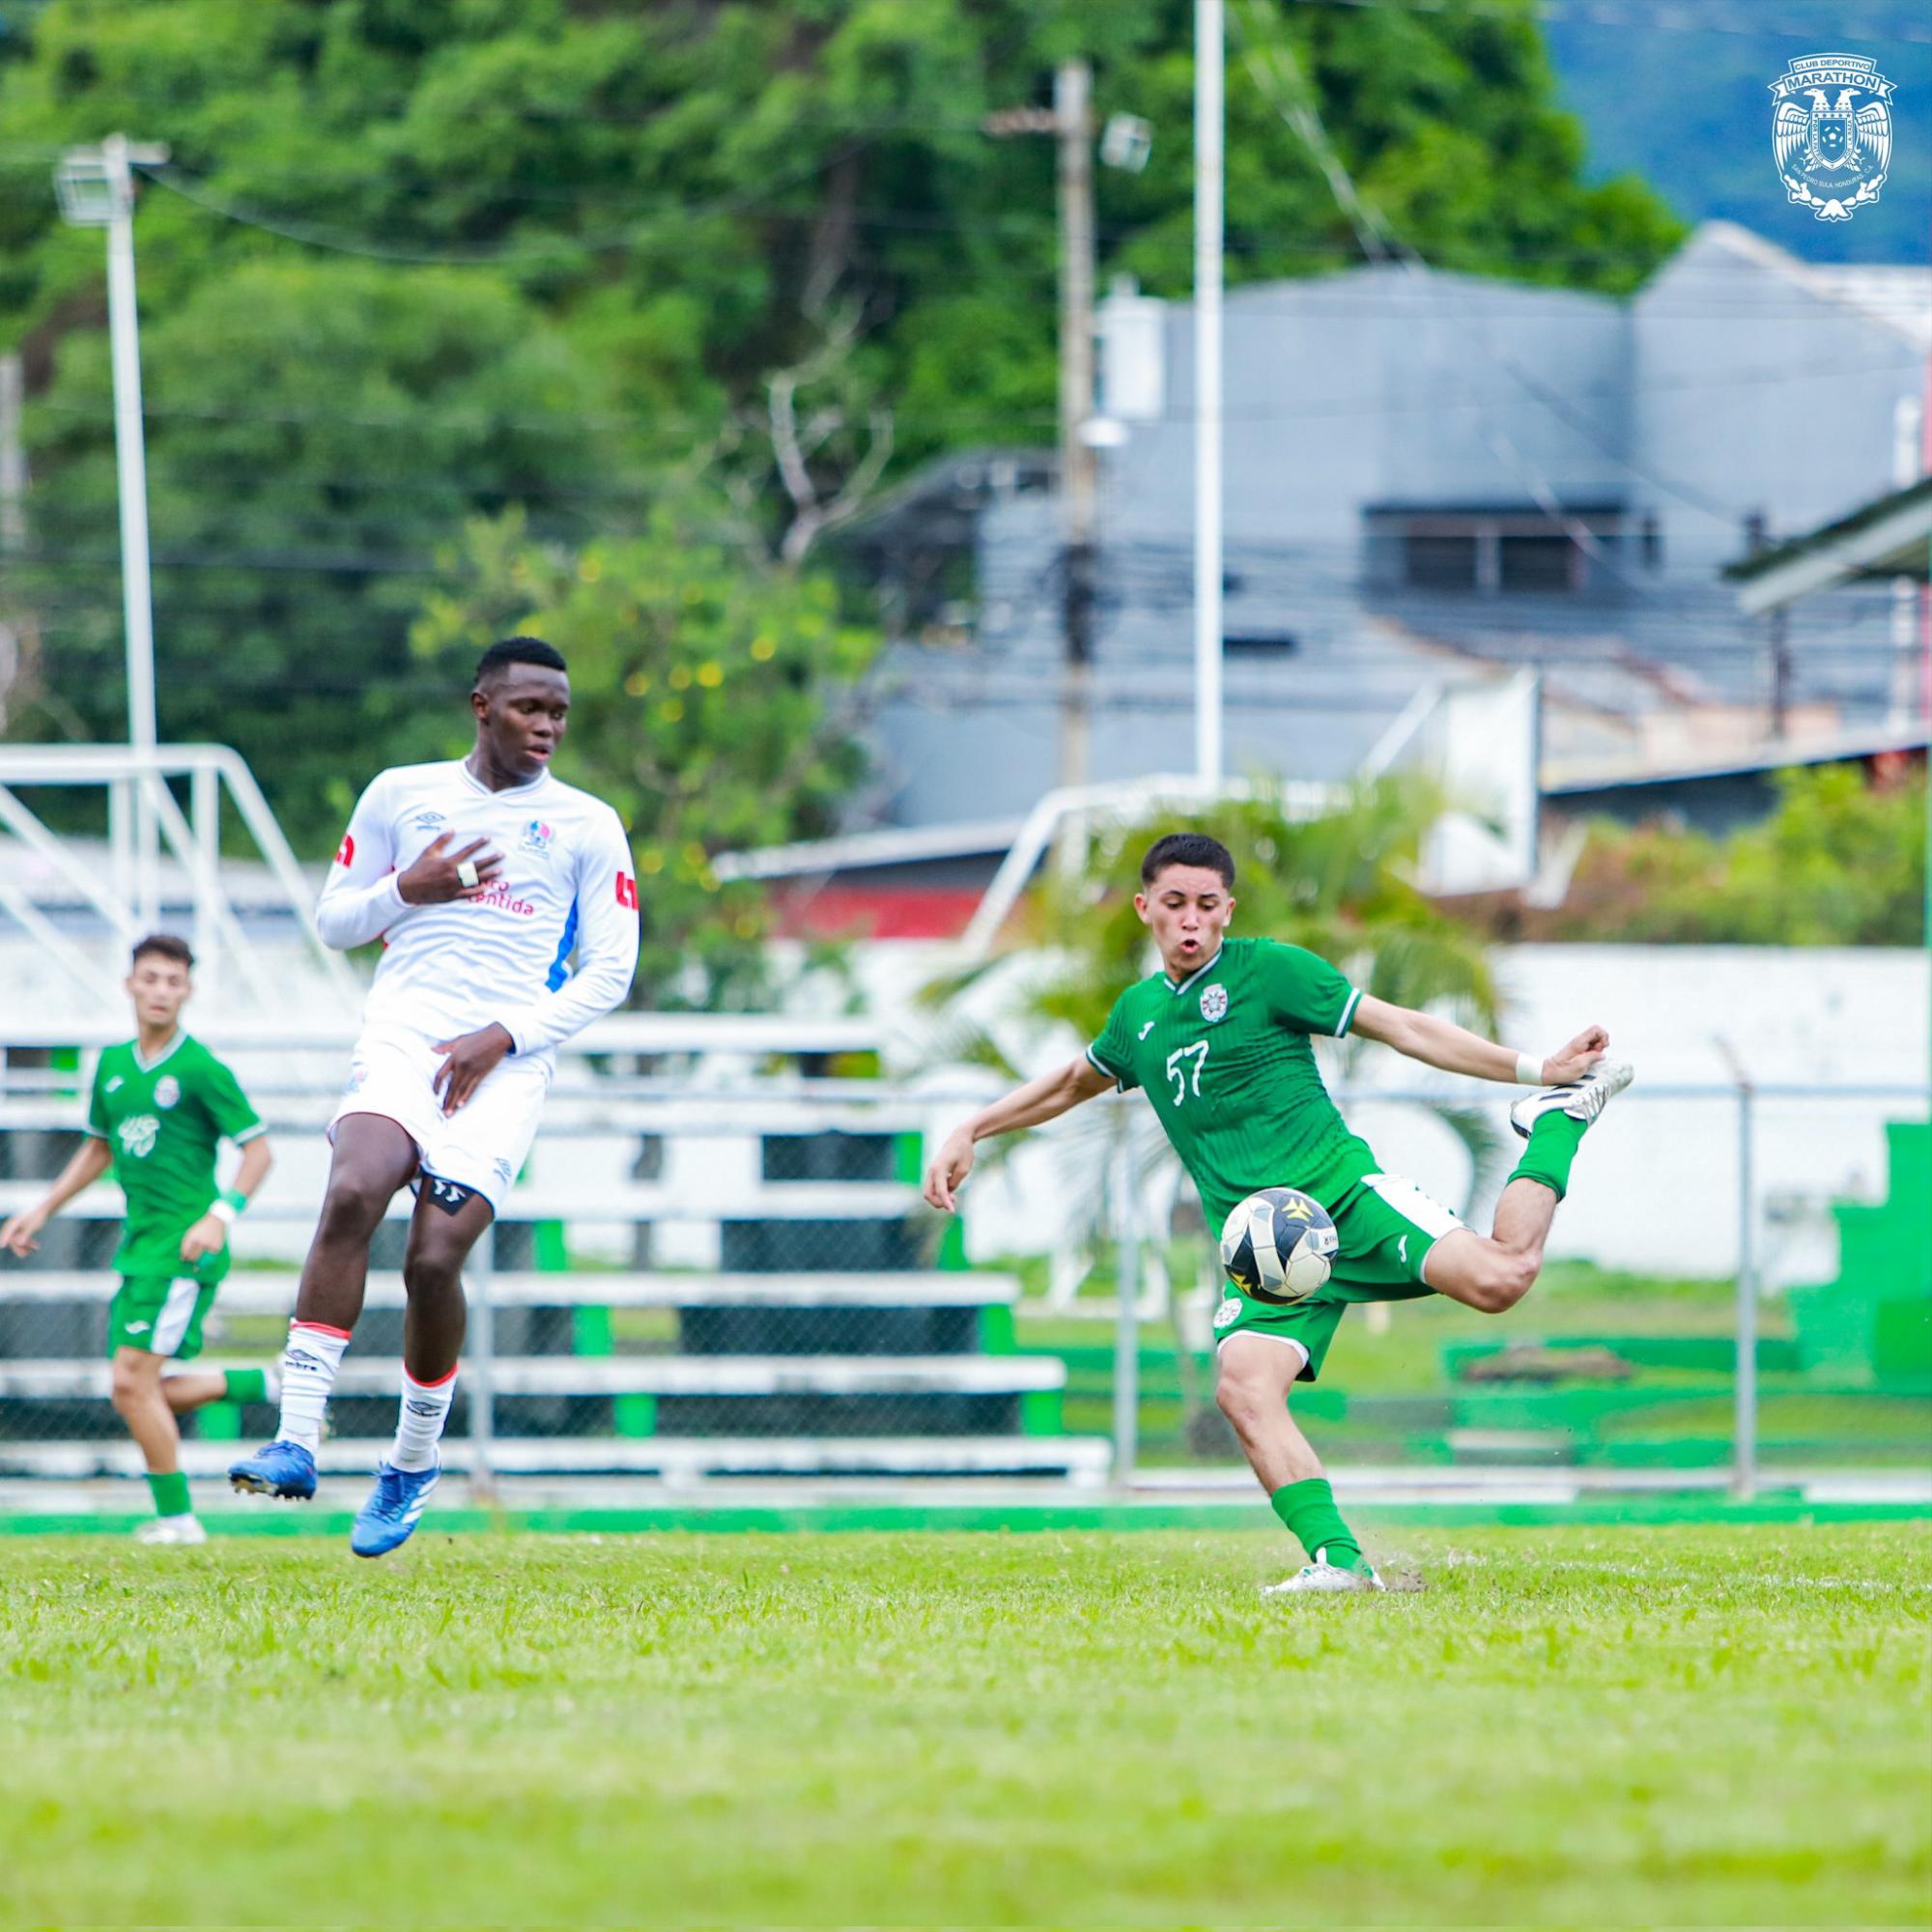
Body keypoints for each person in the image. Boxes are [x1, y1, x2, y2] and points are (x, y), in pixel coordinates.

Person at [923, 831, 1633, 1595]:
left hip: (1344, 1196)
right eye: (1173, 904)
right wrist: (971, 1127)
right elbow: (1070, 1082)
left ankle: (1556, 1117)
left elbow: (1404, 1026)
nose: (1190, 920)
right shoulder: (1139, 1017)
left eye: (1205, 904)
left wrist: (1535, 1068)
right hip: (1264, 1255)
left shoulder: (1272, 972)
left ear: (1227, 909)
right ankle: (1338, 1561)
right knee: (1243, 1387)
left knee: (1504, 1278)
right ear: (1145, 909)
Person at [228, 637, 640, 1555]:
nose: (548, 727)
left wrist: (507, 1036)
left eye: (560, 714)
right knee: (350, 1191)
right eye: (531, 708)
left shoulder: (586, 823)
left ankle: (411, 1463)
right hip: (405, 1035)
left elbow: (612, 969)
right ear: (482, 705)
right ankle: (298, 1437)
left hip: (507, 1057)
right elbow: (336, 922)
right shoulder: (400, 794)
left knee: (432, 1260)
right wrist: (405, 889)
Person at [2, 934, 275, 1545]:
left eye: (172, 981)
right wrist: (43, 1208)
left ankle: (179, 1520)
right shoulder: (114, 1065)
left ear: (188, 991)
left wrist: (219, 1216)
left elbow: (258, 1150)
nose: (160, 991)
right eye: (149, 978)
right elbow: (98, 1147)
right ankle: (262, 1384)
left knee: (130, 1383)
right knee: (136, 1389)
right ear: (130, 984)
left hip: (184, 1248)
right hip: (140, 1245)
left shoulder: (200, 1068)